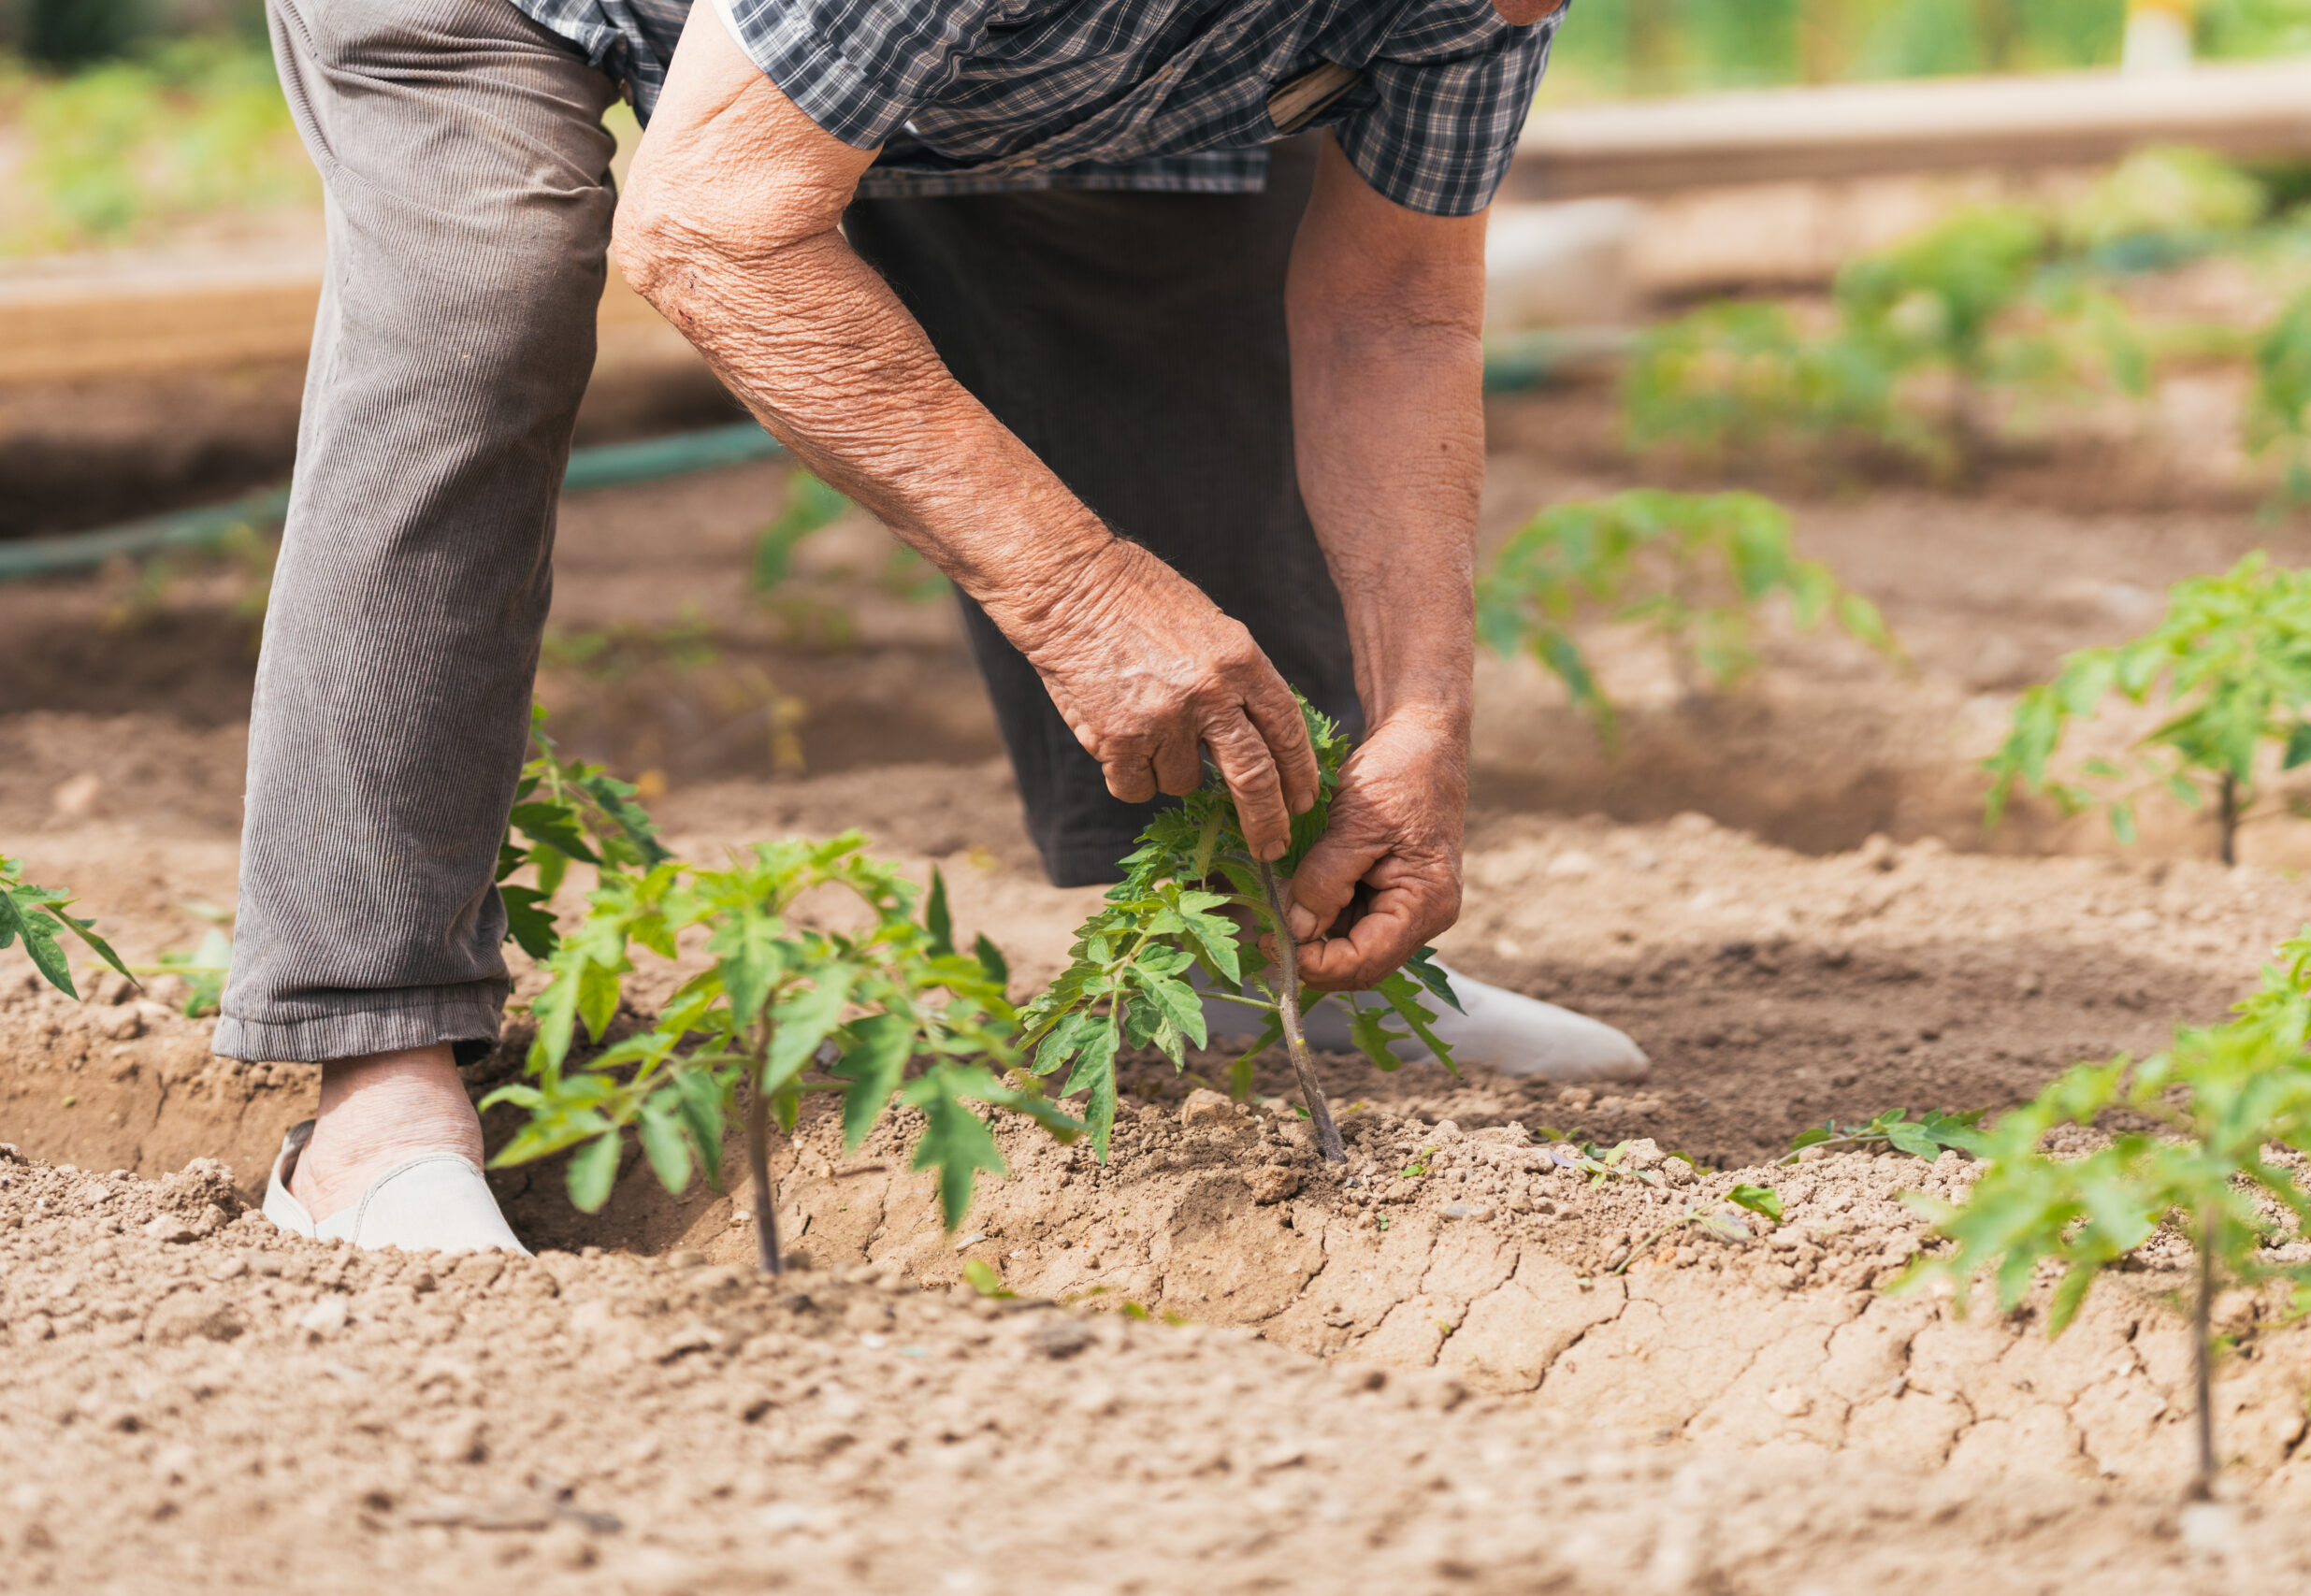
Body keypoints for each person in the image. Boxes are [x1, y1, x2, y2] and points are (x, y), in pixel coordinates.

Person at [227, 0, 1648, 1254]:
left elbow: (1394, 310)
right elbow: (712, 225)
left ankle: (1250, 940)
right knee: (488, 296)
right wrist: (1078, 589)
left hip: (928, 48)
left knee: (1156, 238)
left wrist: (1423, 722)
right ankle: (372, 1085)